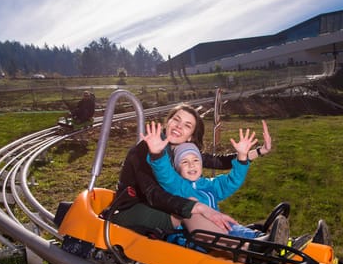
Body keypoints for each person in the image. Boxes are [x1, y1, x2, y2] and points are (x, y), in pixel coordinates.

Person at [107, 103, 276, 244]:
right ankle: (245, 248)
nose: (179, 126)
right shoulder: (147, 148)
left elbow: (219, 162)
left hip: (161, 205)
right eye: (176, 120)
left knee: (192, 204)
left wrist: (260, 151)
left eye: (187, 125)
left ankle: (245, 238)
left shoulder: (182, 151)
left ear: (190, 136)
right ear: (168, 122)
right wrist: (196, 206)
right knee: (188, 209)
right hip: (132, 209)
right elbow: (153, 194)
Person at [143, 123, 269, 241]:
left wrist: (242, 157)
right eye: (185, 162)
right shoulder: (177, 186)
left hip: (216, 234)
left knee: (233, 228)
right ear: (176, 168)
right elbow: (165, 174)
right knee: (232, 229)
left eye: (196, 160)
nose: (191, 165)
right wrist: (157, 154)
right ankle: (258, 240)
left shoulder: (210, 185)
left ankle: (261, 238)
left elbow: (232, 181)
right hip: (190, 239)